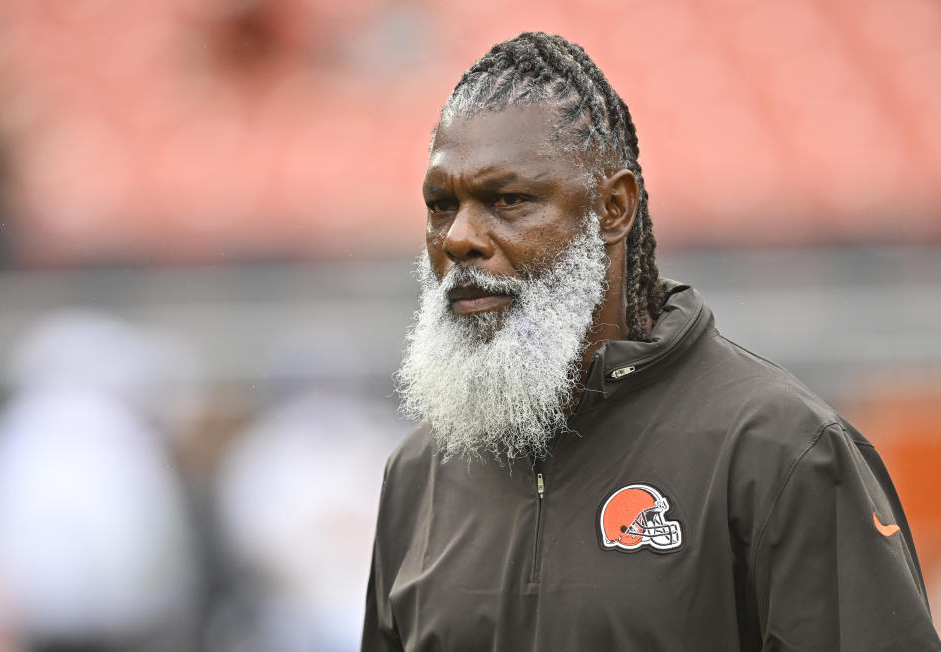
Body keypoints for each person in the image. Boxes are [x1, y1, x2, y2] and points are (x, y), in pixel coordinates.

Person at [360, 32, 941, 651]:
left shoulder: (779, 447)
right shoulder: (418, 475)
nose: (459, 238)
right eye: (440, 205)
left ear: (613, 209)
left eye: (508, 200)